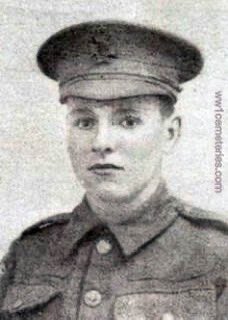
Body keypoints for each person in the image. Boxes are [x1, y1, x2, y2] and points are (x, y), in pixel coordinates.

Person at [0, 20, 227, 320]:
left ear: (170, 134)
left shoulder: (218, 255)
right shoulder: (29, 254)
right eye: (85, 121)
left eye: (128, 121)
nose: (101, 142)